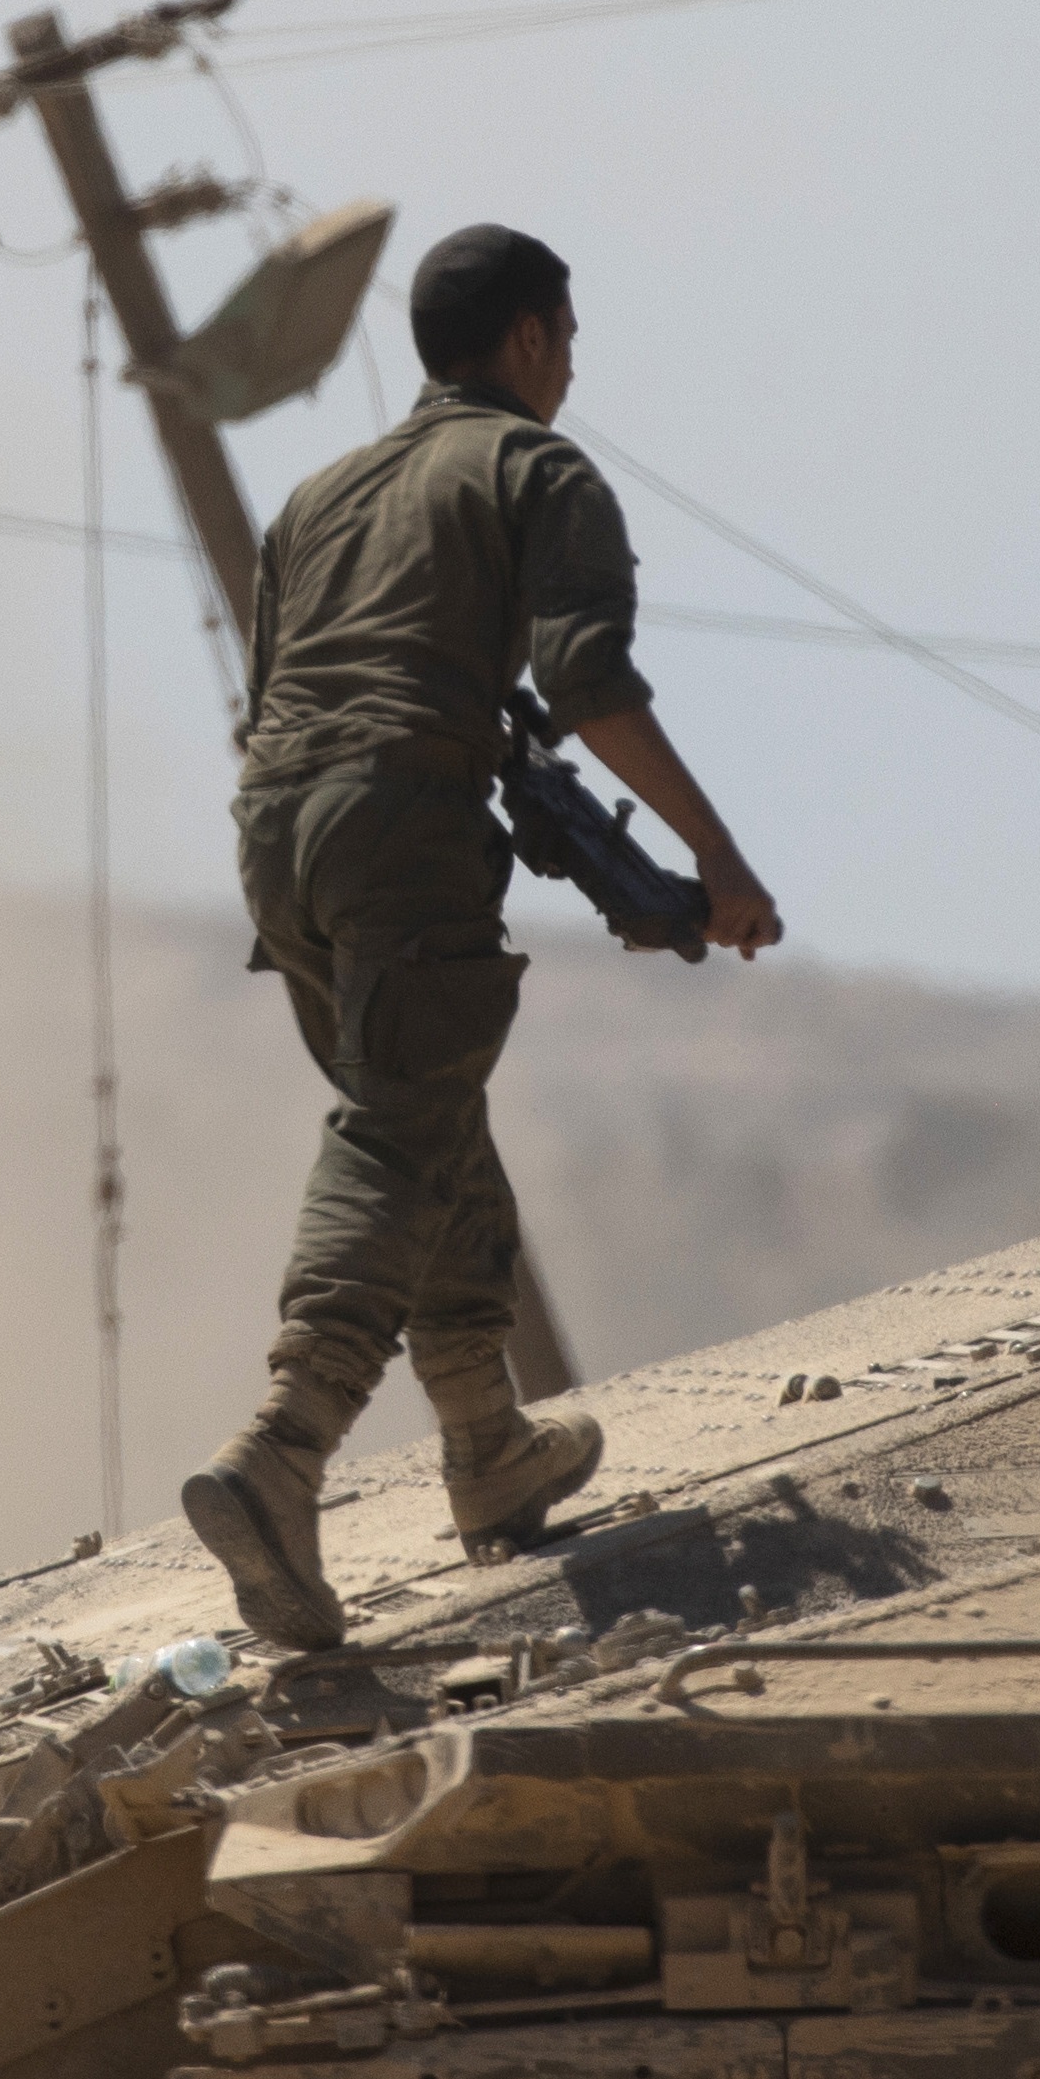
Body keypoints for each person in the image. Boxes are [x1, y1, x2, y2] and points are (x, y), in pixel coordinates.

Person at [184, 223, 783, 1648]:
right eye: (565, 340)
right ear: (526, 339)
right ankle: (283, 1450)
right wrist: (716, 860)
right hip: (399, 824)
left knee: (426, 1109)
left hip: (277, 837)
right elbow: (585, 682)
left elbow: (280, 695)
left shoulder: (315, 494)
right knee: (398, 1129)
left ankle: (485, 1445)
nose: (569, 370)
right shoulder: (535, 469)